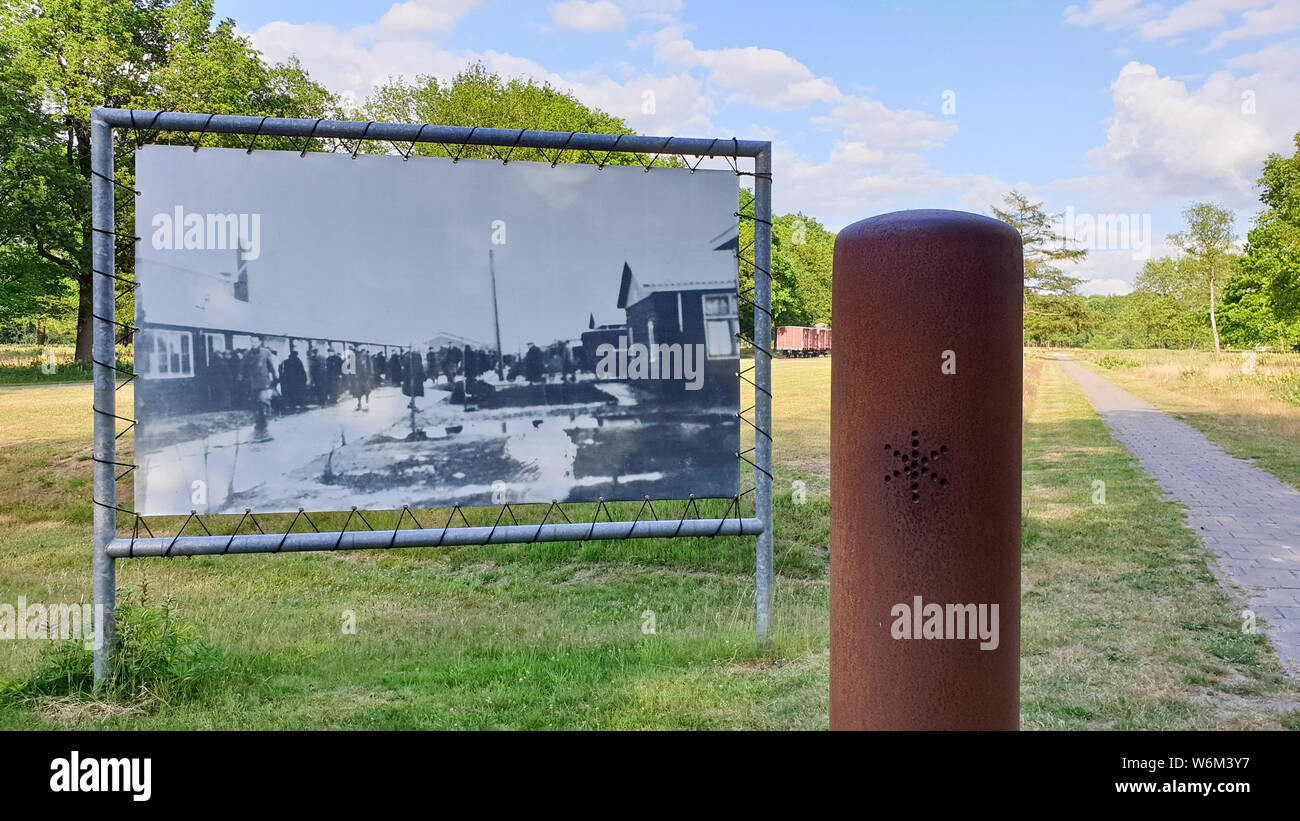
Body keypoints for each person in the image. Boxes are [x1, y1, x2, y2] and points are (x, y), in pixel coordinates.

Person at [244, 336, 278, 441]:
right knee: (254, 403)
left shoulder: (265, 352)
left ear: (259, 342)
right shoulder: (248, 354)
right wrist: (241, 376)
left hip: (263, 382)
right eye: (251, 342)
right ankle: (259, 422)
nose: (253, 343)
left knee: (263, 400)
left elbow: (271, 366)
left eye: (255, 341)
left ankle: (265, 421)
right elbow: (243, 367)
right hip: (252, 382)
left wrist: (275, 376)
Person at [279, 346, 307, 411]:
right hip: (297, 380)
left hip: (289, 380)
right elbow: (302, 371)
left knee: (291, 393)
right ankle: (300, 404)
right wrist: (304, 379)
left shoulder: (286, 362)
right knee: (298, 393)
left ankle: (292, 405)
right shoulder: (298, 361)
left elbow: (283, 371)